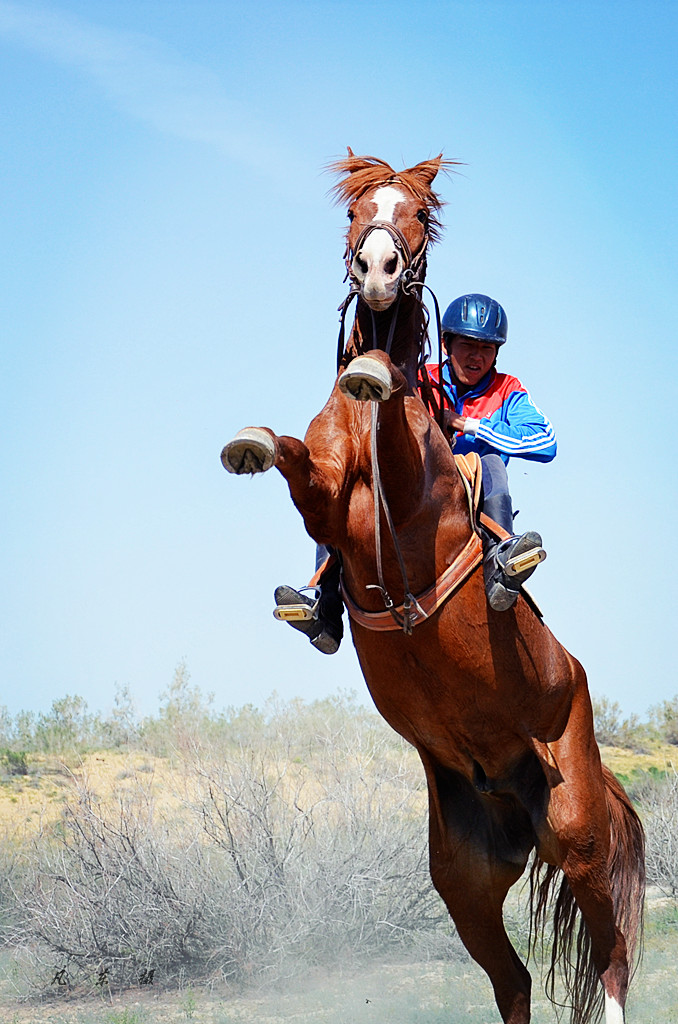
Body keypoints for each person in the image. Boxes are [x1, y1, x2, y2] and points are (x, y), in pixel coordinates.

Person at [273, 292, 556, 652]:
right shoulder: (420, 379)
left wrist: (469, 426)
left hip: (470, 497)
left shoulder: (509, 389)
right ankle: (322, 603)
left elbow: (546, 443)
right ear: (446, 343)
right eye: (467, 344)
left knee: (490, 462)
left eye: (486, 347)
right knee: (344, 489)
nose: (476, 356)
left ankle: (502, 558)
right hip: (414, 486)